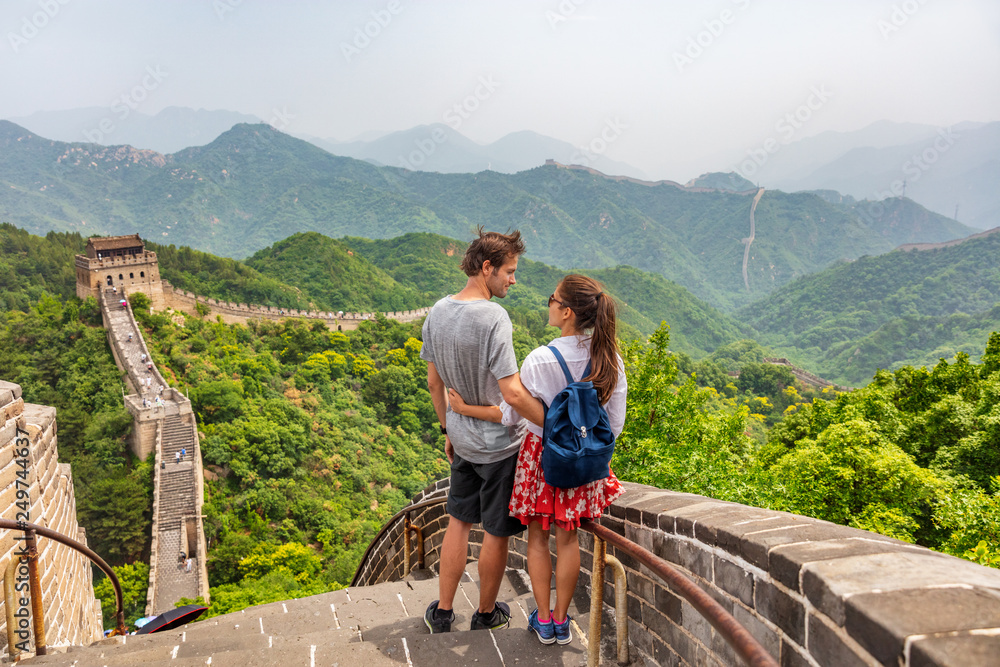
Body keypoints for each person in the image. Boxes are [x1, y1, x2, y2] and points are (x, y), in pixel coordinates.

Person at [448, 274, 627, 646]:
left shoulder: (541, 359)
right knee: (569, 540)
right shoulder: (609, 359)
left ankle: (543, 620)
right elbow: (614, 424)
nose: (547, 303)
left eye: (552, 298)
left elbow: (511, 415)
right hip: (584, 465)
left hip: (541, 459)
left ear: (565, 312)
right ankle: (563, 621)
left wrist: (463, 409)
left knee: (537, 538)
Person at [421, 228, 544, 634]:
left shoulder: (437, 310)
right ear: (486, 268)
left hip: (462, 441)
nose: (513, 279)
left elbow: (434, 383)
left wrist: (448, 427)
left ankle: (442, 611)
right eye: (509, 271)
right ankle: (486, 613)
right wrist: (552, 421)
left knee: (457, 520)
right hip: (498, 448)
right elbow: (511, 391)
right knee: (495, 530)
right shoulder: (494, 317)